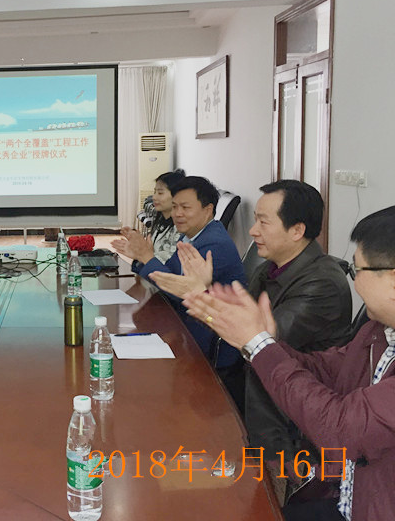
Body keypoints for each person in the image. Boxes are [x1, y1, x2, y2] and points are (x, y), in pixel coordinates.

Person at [184, 205, 395, 521]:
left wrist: (259, 344)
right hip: (351, 498)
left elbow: (341, 430)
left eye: (358, 269)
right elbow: (326, 369)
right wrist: (265, 341)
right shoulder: (377, 331)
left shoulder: (322, 282)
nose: (355, 281)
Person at [153, 180, 354, 487]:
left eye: (263, 222)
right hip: (253, 398)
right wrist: (205, 291)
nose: (252, 230)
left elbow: (258, 341)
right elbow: (239, 322)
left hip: (287, 429)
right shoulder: (271, 268)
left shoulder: (322, 284)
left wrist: (202, 295)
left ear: (297, 230)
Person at [112, 176, 246, 401]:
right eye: (174, 207)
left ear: (208, 209)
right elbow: (171, 276)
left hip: (209, 345)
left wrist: (147, 257)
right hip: (186, 328)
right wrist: (139, 258)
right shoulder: (193, 236)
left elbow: (177, 289)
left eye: (185, 207)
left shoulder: (214, 243)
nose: (177, 214)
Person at [128, 169, 185, 264]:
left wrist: (143, 254)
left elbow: (168, 265)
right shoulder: (160, 222)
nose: (154, 197)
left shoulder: (180, 228)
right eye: (155, 192)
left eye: (160, 193)